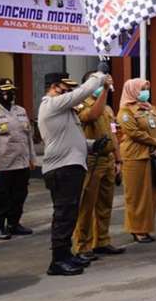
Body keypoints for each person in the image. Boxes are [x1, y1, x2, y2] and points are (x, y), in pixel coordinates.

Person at [38, 68, 109, 276]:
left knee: (69, 214)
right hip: (62, 169)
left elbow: (70, 139)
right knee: (63, 215)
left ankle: (66, 254)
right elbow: (83, 92)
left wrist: (92, 145)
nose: (69, 91)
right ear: (54, 88)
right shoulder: (51, 104)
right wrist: (99, 74)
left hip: (71, 166)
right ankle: (57, 261)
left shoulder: (64, 110)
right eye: (65, 88)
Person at [71, 72, 125, 259]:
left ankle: (102, 241)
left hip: (108, 159)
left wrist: (118, 160)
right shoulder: (80, 105)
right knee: (86, 205)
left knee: (105, 204)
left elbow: (114, 135)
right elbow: (92, 115)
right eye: (98, 83)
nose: (102, 86)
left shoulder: (108, 109)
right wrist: (105, 91)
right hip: (91, 160)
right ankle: (82, 245)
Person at [0, 78, 36, 240]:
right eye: (4, 91)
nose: (7, 94)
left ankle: (13, 224)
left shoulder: (21, 111)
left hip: (21, 162)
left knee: (19, 195)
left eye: (10, 91)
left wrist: (32, 158)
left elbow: (28, 137)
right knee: (1, 198)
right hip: (2, 164)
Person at [117, 78, 156, 244]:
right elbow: (133, 132)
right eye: (142, 89)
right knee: (136, 195)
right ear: (132, 91)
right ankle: (137, 229)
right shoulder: (126, 111)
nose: (145, 92)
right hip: (135, 156)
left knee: (152, 193)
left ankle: (146, 227)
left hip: (153, 155)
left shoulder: (151, 108)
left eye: (146, 89)